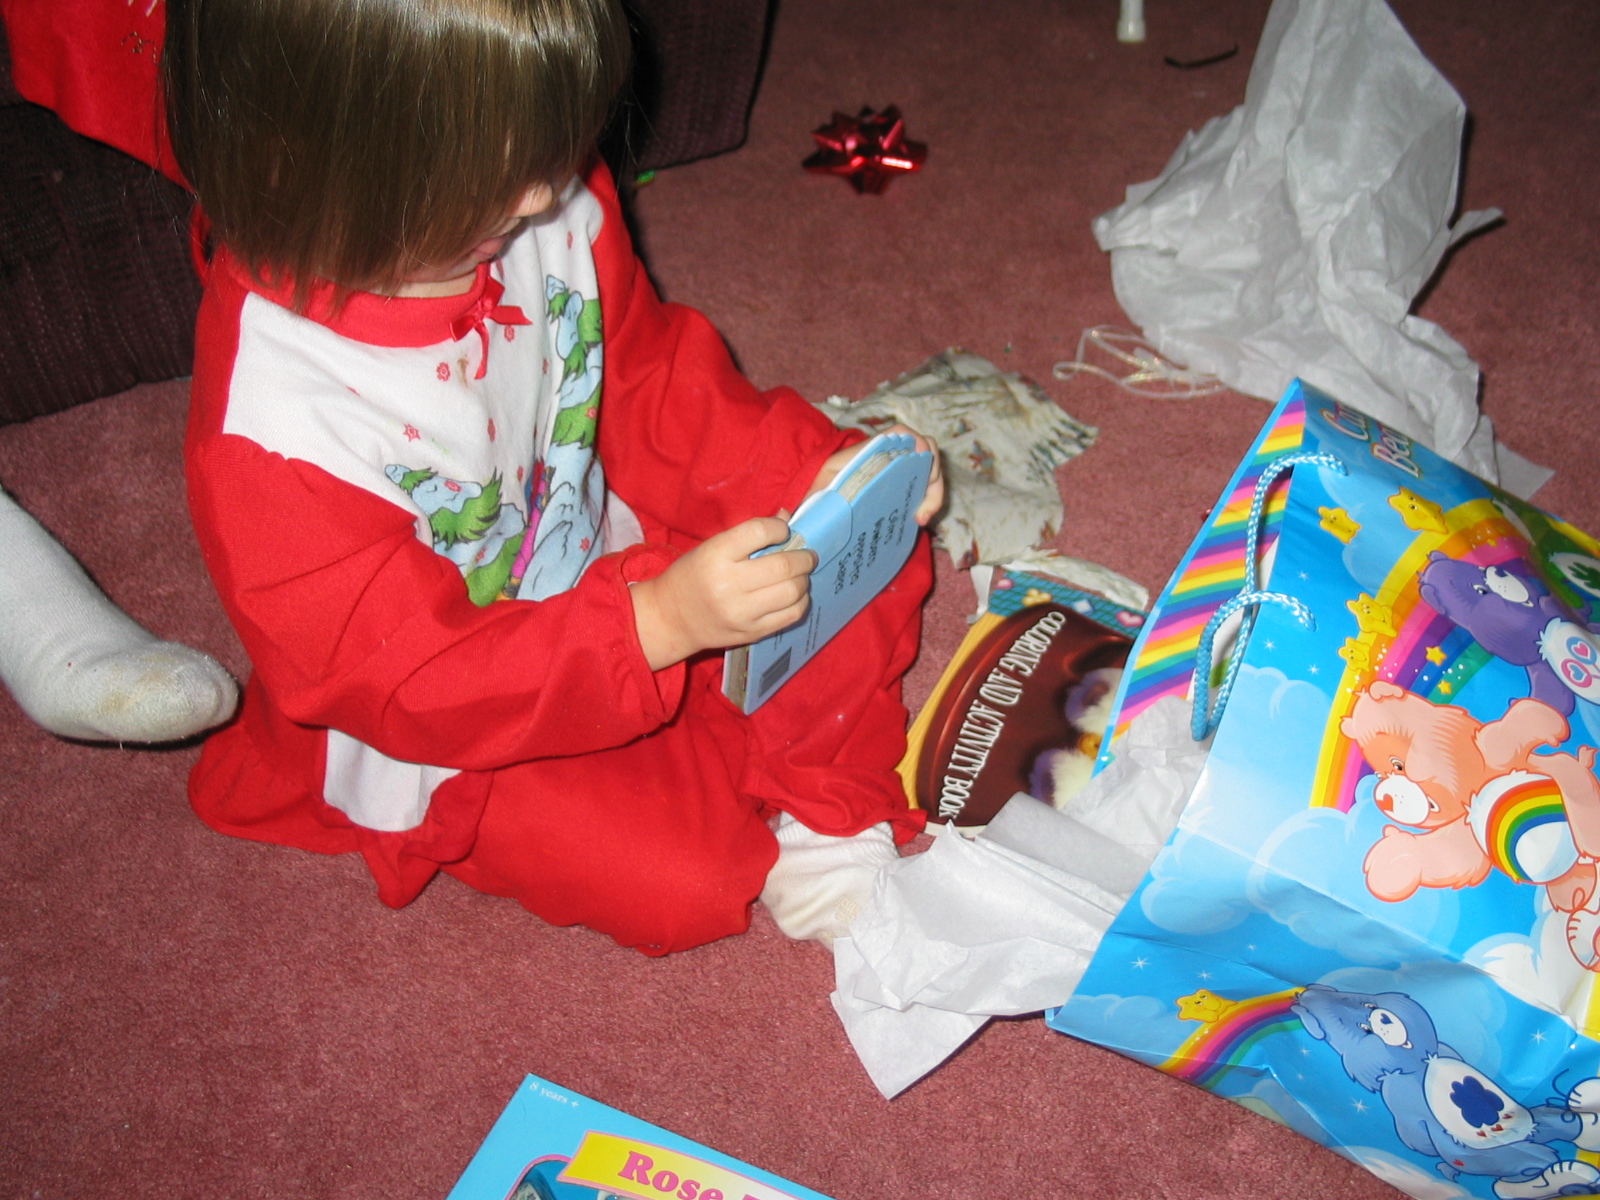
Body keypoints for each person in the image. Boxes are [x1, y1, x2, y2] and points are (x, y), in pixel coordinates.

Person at [162, 0, 943, 955]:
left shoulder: (532, 191)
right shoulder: (274, 429)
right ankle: (749, 752)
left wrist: (815, 470)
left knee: (865, 531)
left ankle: (814, 799)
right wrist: (654, 628)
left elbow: (648, 381)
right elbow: (411, 681)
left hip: (604, 550)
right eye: (494, 171)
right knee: (686, 882)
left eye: (545, 146)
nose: (542, 194)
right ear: (311, 162)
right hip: (458, 721)